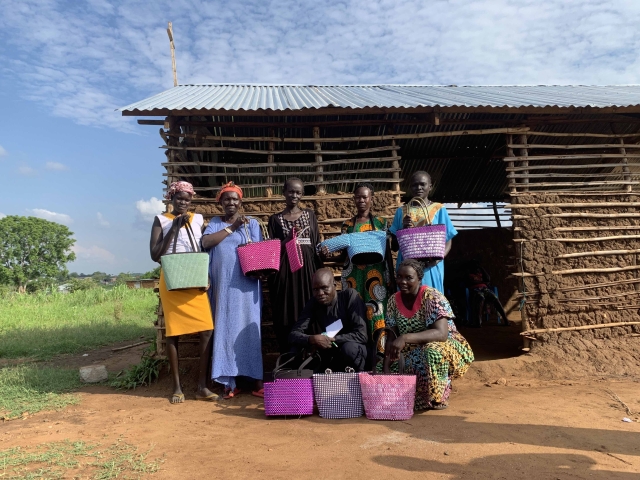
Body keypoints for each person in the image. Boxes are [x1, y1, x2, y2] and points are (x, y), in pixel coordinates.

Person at [149, 181, 214, 404]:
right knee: (173, 332)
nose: (183, 202)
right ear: (171, 199)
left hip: (195, 278)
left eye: (187, 199)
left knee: (206, 329)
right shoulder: (161, 220)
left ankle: (202, 386)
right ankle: (177, 387)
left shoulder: (197, 219)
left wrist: (206, 276)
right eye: (179, 198)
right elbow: (155, 255)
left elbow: (202, 249)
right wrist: (174, 228)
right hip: (172, 279)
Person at [383, 259, 474, 410]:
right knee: (380, 368)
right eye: (399, 277)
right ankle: (417, 394)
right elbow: (391, 338)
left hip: (447, 347)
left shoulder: (431, 297)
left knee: (431, 352)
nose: (402, 281)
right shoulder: (393, 301)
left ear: (419, 278)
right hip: (414, 349)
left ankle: (438, 396)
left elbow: (441, 333)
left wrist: (405, 337)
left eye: (408, 278)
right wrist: (386, 367)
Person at [201, 182, 263, 399]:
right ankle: (230, 382)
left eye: (235, 199)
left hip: (247, 289)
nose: (231, 202)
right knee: (226, 331)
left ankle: (257, 381)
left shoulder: (252, 224)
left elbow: (259, 253)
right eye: (226, 199)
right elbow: (206, 242)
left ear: (240, 201)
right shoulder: (215, 224)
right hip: (224, 289)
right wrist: (232, 228)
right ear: (220, 202)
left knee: (249, 330)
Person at [320, 182, 392, 349]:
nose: (361, 200)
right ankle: (358, 353)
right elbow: (344, 256)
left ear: (371, 199)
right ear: (354, 199)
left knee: (377, 312)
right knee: (353, 314)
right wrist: (326, 256)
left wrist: (391, 278)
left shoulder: (381, 223)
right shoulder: (347, 225)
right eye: (358, 197)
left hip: (377, 275)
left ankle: (379, 355)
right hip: (353, 277)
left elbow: (387, 252)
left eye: (364, 197)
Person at [268, 177, 323, 354]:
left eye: (298, 192)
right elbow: (272, 250)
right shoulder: (275, 219)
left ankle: (312, 357)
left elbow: (315, 245)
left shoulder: (310, 215)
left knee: (310, 309)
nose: (294, 195)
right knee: (288, 313)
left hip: (307, 273)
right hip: (286, 276)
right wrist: (288, 239)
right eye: (291, 191)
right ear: (284, 192)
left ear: (302, 194)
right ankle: (290, 356)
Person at [389, 171, 457, 293]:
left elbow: (448, 241)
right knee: (407, 304)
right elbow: (394, 246)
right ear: (410, 187)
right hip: (406, 269)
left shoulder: (439, 209)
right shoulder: (401, 211)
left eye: (422, 184)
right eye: (415, 185)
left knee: (431, 300)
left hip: (430, 268)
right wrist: (403, 229)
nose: (418, 188)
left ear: (430, 187)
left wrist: (437, 260)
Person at [289, 268, 368, 372]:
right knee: (296, 350)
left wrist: (329, 339)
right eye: (315, 289)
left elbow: (361, 335)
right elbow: (294, 334)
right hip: (329, 351)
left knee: (349, 349)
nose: (320, 293)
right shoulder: (314, 303)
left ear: (334, 286)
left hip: (352, 349)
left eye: (324, 288)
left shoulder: (349, 297)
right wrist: (312, 339)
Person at [467, 260, 507, 327]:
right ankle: (478, 322)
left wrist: (482, 268)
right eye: (476, 268)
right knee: (481, 298)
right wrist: (482, 282)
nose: (477, 270)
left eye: (478, 268)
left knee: (495, 298)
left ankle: (506, 320)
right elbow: (470, 283)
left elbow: (488, 279)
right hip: (476, 290)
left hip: (485, 289)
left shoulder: (481, 274)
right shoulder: (469, 275)